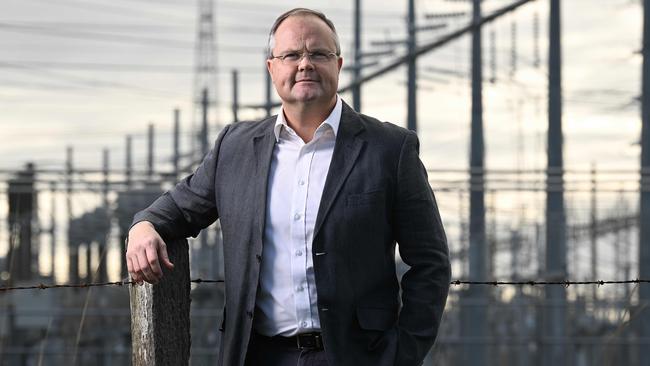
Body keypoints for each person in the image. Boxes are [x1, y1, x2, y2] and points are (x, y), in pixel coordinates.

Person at [126, 7, 450, 366]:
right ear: (271, 67)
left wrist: (402, 355)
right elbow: (179, 207)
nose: (305, 64)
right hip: (258, 355)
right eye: (291, 54)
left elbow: (431, 262)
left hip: (357, 356)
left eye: (318, 54)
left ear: (338, 65)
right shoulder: (235, 147)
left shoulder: (389, 149)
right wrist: (144, 225)